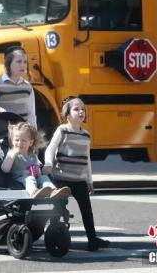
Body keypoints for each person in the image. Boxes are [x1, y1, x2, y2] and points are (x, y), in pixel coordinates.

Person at [43, 96, 111, 252]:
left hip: (79, 180)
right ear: (67, 113)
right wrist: (48, 164)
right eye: (76, 109)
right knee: (57, 209)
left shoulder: (86, 135)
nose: (81, 112)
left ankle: (92, 240)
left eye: (83, 109)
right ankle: (54, 237)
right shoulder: (63, 130)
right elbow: (50, 149)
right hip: (61, 178)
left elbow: (87, 160)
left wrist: (89, 181)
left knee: (87, 211)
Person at [1, 122, 71, 198]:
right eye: (17, 140)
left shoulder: (32, 155)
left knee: (43, 177)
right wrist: (12, 156)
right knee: (30, 179)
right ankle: (34, 192)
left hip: (32, 178)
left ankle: (53, 191)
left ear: (30, 143)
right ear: (12, 141)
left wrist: (37, 171)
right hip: (18, 180)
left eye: (23, 141)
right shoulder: (11, 153)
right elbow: (5, 169)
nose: (19, 143)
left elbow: (38, 172)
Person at [0, 46, 36, 126]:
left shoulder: (28, 87)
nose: (23, 65)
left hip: (23, 134)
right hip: (3, 134)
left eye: (25, 62)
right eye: (19, 61)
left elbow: (31, 115)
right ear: (8, 63)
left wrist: (33, 134)